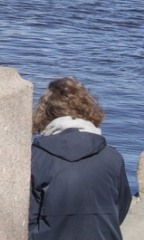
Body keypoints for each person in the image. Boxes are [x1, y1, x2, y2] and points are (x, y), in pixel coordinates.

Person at [29, 77, 131, 239]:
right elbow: (120, 209)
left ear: (44, 115)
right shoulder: (113, 158)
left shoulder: (35, 158)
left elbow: (28, 217)